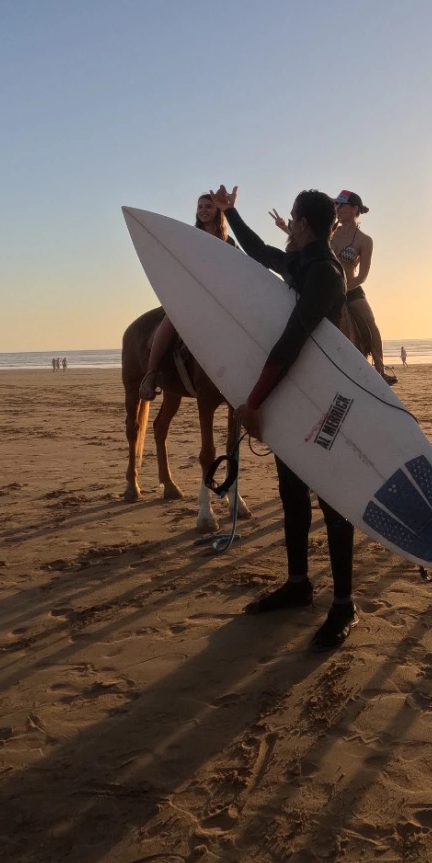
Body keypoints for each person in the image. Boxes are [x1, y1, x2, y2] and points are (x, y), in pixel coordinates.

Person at [211, 184, 358, 651]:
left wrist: (253, 402)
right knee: (291, 489)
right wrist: (230, 214)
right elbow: (259, 252)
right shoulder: (303, 260)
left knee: (333, 501)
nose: (288, 225)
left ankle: (344, 605)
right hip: (295, 394)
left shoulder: (325, 275)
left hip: (324, 397)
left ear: (304, 224)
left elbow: (293, 339)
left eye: (293, 218)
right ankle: (298, 584)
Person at [139, 193, 235, 400]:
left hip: (220, 300)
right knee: (171, 320)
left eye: (208, 206)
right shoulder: (190, 238)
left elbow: (237, 271)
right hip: (192, 297)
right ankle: (151, 373)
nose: (203, 210)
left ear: (218, 210)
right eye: (200, 207)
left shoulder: (229, 243)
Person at [330, 190, 397, 385]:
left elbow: (363, 275)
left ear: (354, 209)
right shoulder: (329, 231)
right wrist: (287, 229)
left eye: (341, 205)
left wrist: (346, 286)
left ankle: (380, 369)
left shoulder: (364, 240)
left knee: (369, 320)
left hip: (350, 289)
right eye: (336, 205)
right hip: (326, 287)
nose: (337, 209)